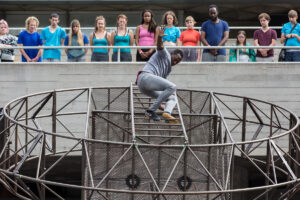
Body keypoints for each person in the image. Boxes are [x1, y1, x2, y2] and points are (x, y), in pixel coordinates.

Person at [136, 25, 183, 123]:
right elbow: (160, 46)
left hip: (145, 88)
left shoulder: (168, 69)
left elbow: (162, 90)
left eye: (177, 62)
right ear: (172, 54)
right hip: (145, 77)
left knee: (173, 98)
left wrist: (160, 105)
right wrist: (160, 37)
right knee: (173, 87)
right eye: (175, 59)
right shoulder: (165, 54)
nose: (175, 62)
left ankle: (167, 113)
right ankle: (151, 110)